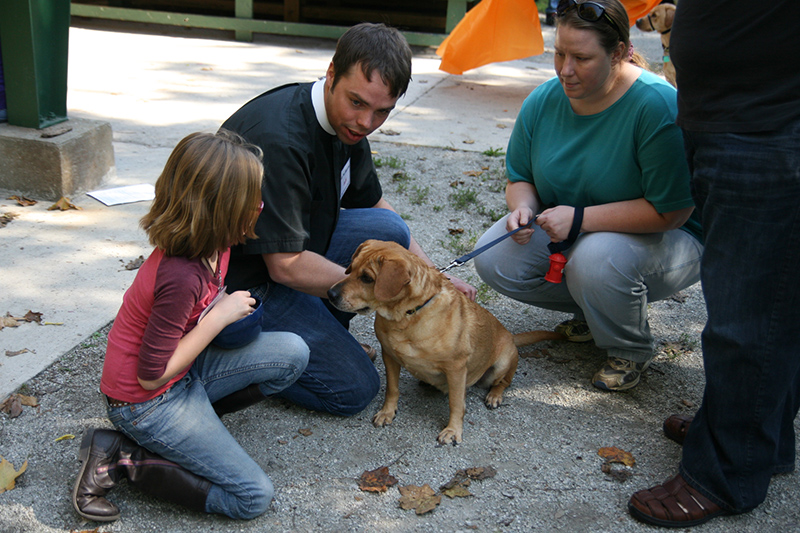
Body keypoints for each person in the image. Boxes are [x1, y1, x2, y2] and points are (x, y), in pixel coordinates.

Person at [220, 22, 476, 417]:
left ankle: (319, 327)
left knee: (391, 231)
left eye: (381, 111)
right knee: (355, 389)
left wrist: (431, 276)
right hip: (244, 283)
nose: (366, 122)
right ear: (331, 74)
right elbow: (285, 266)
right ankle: (247, 358)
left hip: (296, 251)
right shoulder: (282, 141)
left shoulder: (345, 125)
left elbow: (376, 207)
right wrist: (375, 289)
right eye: (357, 103)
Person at [72, 131, 310, 522]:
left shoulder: (219, 244)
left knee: (293, 353)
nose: (260, 209)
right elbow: (150, 378)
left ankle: (197, 424)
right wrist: (219, 316)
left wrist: (223, 312)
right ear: (222, 211)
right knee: (252, 497)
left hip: (185, 372)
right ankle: (122, 456)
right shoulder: (180, 276)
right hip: (145, 403)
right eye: (252, 203)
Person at [628, 0, 800, 527]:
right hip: (729, 118)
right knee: (774, 303)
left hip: (769, 126)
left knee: (748, 317)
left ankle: (724, 472)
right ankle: (755, 440)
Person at [473, 0, 703, 392]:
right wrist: (524, 209)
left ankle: (629, 348)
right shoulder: (543, 100)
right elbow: (520, 177)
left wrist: (579, 220)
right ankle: (598, 310)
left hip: (669, 238)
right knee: (494, 255)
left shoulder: (656, 105)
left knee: (596, 261)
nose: (565, 70)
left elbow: (673, 212)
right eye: (559, 53)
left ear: (618, 53)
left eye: (581, 58)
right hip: (574, 229)